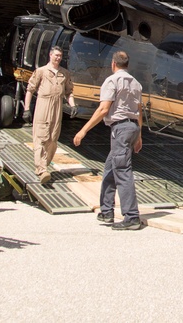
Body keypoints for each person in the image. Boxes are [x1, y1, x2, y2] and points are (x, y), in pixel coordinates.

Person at [73, 51, 144, 231]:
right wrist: (139, 135)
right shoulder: (136, 84)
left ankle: (132, 216)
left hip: (120, 129)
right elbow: (139, 110)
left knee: (122, 170)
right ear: (127, 64)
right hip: (133, 127)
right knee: (110, 168)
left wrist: (83, 131)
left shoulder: (112, 81)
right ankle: (106, 210)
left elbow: (103, 109)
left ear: (113, 64)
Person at [23, 46, 75, 184]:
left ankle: (44, 165)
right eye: (56, 55)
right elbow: (30, 90)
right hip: (43, 104)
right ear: (50, 55)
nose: (58, 58)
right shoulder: (41, 71)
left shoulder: (65, 73)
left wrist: (73, 105)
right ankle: (41, 169)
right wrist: (26, 108)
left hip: (57, 105)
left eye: (60, 56)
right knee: (41, 136)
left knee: (53, 137)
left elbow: (69, 92)